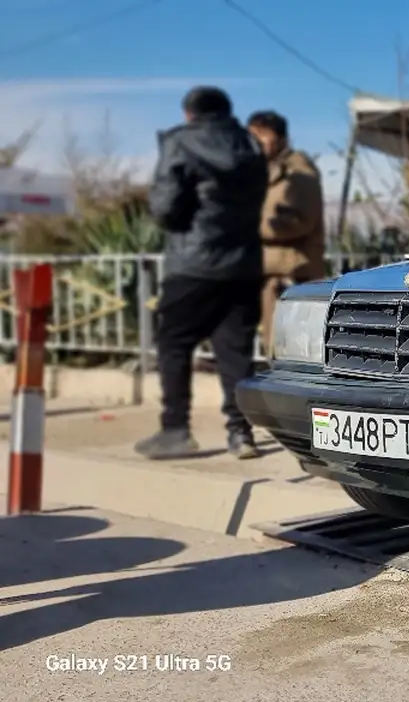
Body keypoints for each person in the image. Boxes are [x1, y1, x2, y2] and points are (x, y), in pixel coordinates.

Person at [136, 86, 270, 461]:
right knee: (235, 352)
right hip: (244, 264)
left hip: (193, 264)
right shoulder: (249, 145)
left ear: (189, 114)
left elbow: (165, 209)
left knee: (174, 345)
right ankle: (241, 434)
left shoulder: (180, 143)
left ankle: (175, 429)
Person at [245, 110, 327, 350]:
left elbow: (299, 221)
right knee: (275, 350)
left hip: (291, 276)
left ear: (281, 139)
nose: (257, 143)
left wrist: (246, 226)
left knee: (290, 351)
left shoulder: (299, 173)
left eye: (263, 136)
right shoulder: (264, 171)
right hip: (269, 274)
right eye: (252, 136)